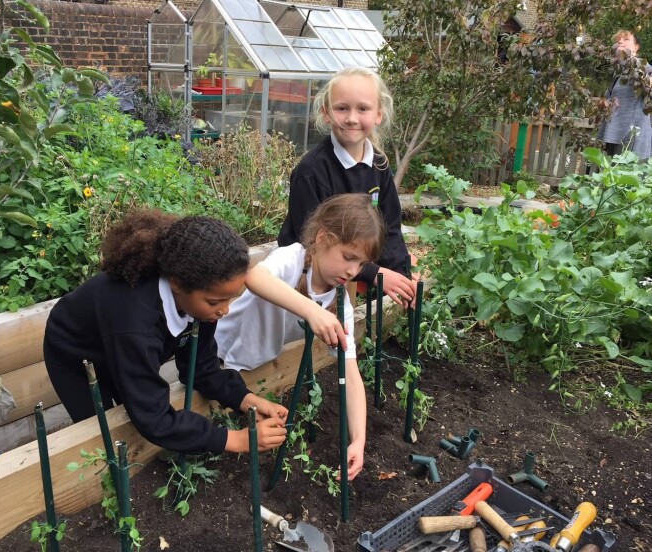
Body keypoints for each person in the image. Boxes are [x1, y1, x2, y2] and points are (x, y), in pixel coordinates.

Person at [43, 209, 293, 455]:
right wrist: (234, 440)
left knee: (133, 408)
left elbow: (201, 368)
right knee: (103, 439)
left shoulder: (200, 302)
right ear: (177, 283)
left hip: (120, 341)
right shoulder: (137, 322)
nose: (224, 310)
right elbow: (152, 417)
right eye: (216, 302)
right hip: (74, 353)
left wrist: (245, 400)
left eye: (229, 299)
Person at [216, 194, 385, 481]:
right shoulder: (292, 257)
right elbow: (255, 278)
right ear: (322, 238)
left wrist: (359, 440)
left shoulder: (339, 301)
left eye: (361, 264)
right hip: (219, 356)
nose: (353, 271)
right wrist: (311, 311)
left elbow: (350, 373)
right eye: (348, 257)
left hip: (250, 375)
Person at [277, 66, 417, 307]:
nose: (352, 118)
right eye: (342, 108)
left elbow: (390, 228)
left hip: (353, 269)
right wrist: (374, 274)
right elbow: (312, 243)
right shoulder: (311, 171)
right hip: (306, 277)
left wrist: (402, 277)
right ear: (327, 113)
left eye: (362, 108)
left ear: (378, 115)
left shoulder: (379, 165)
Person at [597, 30, 652, 161]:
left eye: (626, 39)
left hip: (634, 137)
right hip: (615, 134)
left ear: (636, 47)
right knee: (613, 176)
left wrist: (640, 73)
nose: (620, 42)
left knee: (630, 177)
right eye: (618, 40)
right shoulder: (618, 74)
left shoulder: (644, 67)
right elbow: (606, 102)